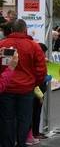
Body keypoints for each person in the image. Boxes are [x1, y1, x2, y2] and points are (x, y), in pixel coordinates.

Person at [0, 19, 47, 147]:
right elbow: (41, 69)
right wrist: (34, 83)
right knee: (24, 119)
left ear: (11, 29)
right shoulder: (34, 46)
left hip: (6, 88)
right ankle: (22, 143)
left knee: (7, 119)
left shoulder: (3, 44)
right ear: (25, 30)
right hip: (26, 89)